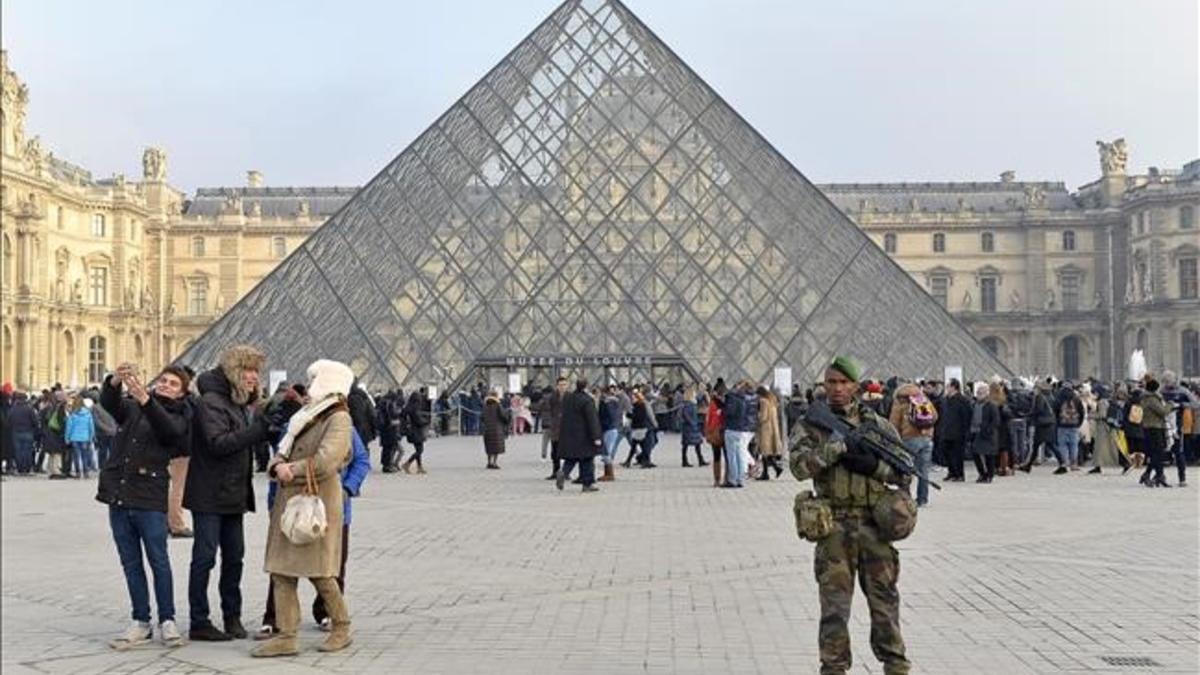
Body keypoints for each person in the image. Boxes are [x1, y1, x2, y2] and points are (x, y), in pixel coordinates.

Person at [789, 356, 911, 675]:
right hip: (834, 530)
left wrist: (873, 466)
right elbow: (799, 468)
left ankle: (896, 666)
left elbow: (904, 474)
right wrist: (835, 450)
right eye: (832, 382)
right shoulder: (812, 425)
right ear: (824, 385)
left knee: (885, 607)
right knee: (834, 611)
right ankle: (833, 669)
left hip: (875, 527)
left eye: (844, 383)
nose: (838, 389)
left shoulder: (879, 427)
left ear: (855, 386)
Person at [253, 360, 355, 657]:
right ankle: (286, 635)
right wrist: (276, 466)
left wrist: (290, 470)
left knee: (321, 572)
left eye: (314, 380)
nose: (309, 386)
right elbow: (281, 450)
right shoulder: (306, 415)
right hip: (291, 500)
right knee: (281, 571)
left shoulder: (338, 418)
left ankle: (341, 627)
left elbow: (328, 460)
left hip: (316, 501)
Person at [97, 363, 193, 650]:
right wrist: (115, 380)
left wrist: (146, 400)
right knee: (131, 563)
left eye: (173, 384)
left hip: (149, 497)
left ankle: (167, 619)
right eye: (163, 380)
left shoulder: (181, 414)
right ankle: (141, 620)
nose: (165, 385)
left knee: (158, 561)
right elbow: (109, 403)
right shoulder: (134, 407)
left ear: (182, 393)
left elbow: (171, 434)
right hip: (119, 493)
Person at [185, 345, 277, 642]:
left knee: (235, 557)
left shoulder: (238, 402)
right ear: (235, 373)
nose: (254, 377)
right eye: (249, 371)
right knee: (205, 557)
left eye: (256, 372)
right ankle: (199, 620)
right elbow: (218, 444)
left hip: (233, 492)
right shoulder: (211, 402)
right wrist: (258, 430)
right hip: (209, 493)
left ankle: (232, 616)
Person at [889, 383, 937, 505]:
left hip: (909, 439)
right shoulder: (923, 399)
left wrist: (894, 439)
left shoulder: (900, 400)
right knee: (923, 470)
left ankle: (906, 497)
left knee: (905, 468)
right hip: (927, 438)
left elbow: (893, 423)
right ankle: (922, 499)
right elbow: (935, 416)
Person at [555, 379, 602, 493]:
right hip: (584, 436)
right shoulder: (587, 400)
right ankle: (587, 484)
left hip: (570, 435)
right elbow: (592, 420)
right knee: (587, 459)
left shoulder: (568, 398)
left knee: (572, 458)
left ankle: (563, 472)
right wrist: (596, 437)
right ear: (586, 387)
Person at [1138, 378, 1172, 488]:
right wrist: (1170, 405)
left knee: (1157, 453)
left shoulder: (1145, 398)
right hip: (1154, 428)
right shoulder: (1151, 399)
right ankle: (1152, 475)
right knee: (1158, 453)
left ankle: (1158, 475)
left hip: (1150, 428)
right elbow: (1162, 412)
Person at [721, 381, 754, 488]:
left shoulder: (731, 398)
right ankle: (740, 479)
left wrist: (722, 410)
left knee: (732, 457)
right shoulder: (746, 399)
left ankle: (732, 479)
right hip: (741, 429)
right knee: (740, 455)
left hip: (731, 429)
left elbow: (728, 413)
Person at [968, 382, 999, 483]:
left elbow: (996, 421)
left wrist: (988, 429)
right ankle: (982, 473)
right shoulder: (974, 405)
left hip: (987, 433)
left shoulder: (991, 406)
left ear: (987, 393)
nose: (978, 395)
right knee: (975, 453)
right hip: (975, 432)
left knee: (989, 455)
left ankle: (989, 475)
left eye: (981, 393)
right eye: (977, 392)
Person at [1053, 384, 1086, 472]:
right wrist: (1079, 423)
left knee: (1062, 445)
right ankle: (1073, 464)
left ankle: (1064, 463)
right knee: (1074, 445)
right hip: (1074, 425)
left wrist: (1057, 422)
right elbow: (1081, 412)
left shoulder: (1059, 398)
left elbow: (1055, 411)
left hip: (1062, 425)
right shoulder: (1076, 399)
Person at [755, 386, 784, 480]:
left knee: (764, 451)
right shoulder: (772, 401)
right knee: (768, 452)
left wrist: (757, 417)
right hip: (772, 429)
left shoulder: (763, 401)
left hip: (765, 429)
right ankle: (775, 469)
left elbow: (763, 416)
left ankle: (766, 473)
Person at [539, 379, 567, 477]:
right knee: (555, 451)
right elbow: (547, 411)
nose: (562, 387)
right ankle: (555, 471)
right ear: (557, 386)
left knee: (567, 451)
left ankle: (566, 472)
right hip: (555, 427)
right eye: (560, 385)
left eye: (564, 385)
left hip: (567, 427)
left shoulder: (570, 397)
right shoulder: (552, 398)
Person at [64, 394, 97, 479]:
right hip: (85, 437)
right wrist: (91, 436)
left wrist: (67, 437)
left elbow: (69, 427)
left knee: (76, 456)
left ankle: (78, 473)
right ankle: (86, 472)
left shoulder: (73, 414)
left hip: (74, 437)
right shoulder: (88, 413)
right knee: (84, 455)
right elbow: (91, 426)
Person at [7, 392, 39, 474]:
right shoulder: (29, 409)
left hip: (16, 432)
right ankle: (27, 468)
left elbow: (9, 421)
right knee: (27, 451)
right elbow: (35, 421)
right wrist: (35, 431)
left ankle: (20, 468)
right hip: (28, 432)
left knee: (18, 451)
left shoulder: (13, 409)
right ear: (25, 399)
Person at [400, 389, 430, 474]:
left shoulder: (407, 407)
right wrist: (426, 421)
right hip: (416, 432)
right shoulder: (414, 408)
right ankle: (407, 464)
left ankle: (419, 467)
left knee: (418, 449)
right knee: (420, 450)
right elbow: (418, 421)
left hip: (411, 432)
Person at [481, 390, 509, 469]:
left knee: (489, 446)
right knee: (496, 447)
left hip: (487, 428)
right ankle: (494, 463)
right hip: (497, 428)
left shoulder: (485, 405)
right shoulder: (498, 405)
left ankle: (489, 462)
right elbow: (503, 416)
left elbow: (482, 417)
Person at [680, 387, 706, 468]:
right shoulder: (689, 404)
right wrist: (692, 422)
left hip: (690, 426)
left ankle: (687, 460)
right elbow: (686, 414)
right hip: (691, 426)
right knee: (694, 443)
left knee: (688, 444)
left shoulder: (688, 403)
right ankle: (699, 460)